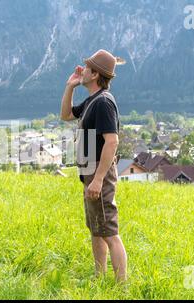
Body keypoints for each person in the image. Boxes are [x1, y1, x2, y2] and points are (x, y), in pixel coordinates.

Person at [60, 49, 127, 283]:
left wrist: (98, 179)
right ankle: (99, 279)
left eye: (87, 68)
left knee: (110, 232)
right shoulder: (92, 100)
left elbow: (112, 141)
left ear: (96, 74)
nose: (83, 70)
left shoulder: (104, 103)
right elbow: (66, 115)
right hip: (90, 170)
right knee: (97, 228)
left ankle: (122, 289)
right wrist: (71, 86)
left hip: (99, 172)